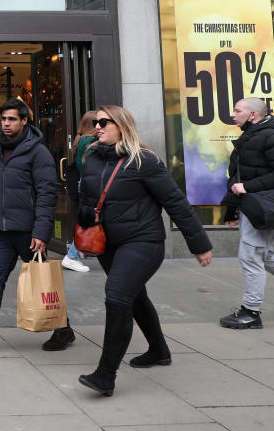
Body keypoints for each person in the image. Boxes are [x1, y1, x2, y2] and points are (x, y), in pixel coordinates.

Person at [77, 105, 212, 396]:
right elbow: (87, 201)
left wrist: (199, 244)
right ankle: (159, 350)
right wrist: (84, 229)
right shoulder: (91, 159)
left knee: (116, 296)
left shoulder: (144, 161)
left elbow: (175, 202)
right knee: (134, 298)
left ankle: (105, 375)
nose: (97, 126)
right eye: (94, 122)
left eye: (104, 122)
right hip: (108, 244)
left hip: (143, 242)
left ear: (122, 125)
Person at [0, 98, 75, 353]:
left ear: (24, 121)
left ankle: (63, 330)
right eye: (4, 119)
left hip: (28, 231)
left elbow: (47, 193)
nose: (6, 124)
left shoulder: (38, 152)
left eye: (12, 119)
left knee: (43, 283)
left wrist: (42, 232)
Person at [219, 97, 274, 329]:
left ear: (253, 115)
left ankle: (250, 313)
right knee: (264, 255)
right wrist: (231, 211)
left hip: (266, 206)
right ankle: (251, 311)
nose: (233, 114)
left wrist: (248, 188)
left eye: (237, 110)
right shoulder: (250, 136)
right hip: (253, 206)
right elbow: (238, 176)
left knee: (250, 256)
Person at [62, 110, 98, 274]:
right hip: (90, 185)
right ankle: (72, 255)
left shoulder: (81, 140)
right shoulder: (90, 141)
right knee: (90, 221)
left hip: (84, 183)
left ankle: (77, 253)